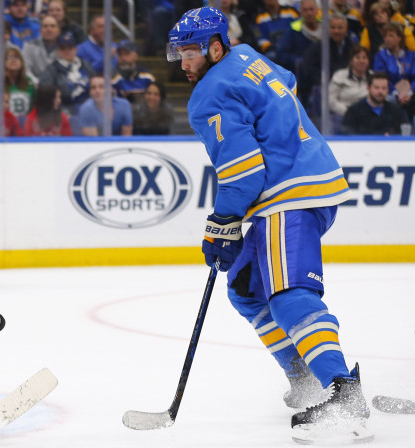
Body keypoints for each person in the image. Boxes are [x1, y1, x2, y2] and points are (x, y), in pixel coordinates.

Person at [167, 7, 371, 444]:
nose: (183, 63)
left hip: (287, 195)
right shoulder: (248, 58)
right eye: (178, 54)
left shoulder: (208, 95)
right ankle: (305, 377)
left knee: (289, 295)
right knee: (245, 286)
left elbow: (242, 173)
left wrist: (220, 224)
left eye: (190, 53)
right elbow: (286, 85)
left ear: (214, 47)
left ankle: (343, 393)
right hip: (307, 180)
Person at [39, 32, 94, 116]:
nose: (66, 51)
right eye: (63, 48)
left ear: (76, 49)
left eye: (70, 48)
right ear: (58, 50)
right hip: (64, 112)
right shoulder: (51, 70)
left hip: (89, 109)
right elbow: (47, 95)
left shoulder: (86, 65)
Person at [342, 71, 409, 135]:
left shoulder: (396, 111)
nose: (380, 91)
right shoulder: (354, 111)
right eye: (376, 88)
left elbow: (403, 134)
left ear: (388, 89)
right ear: (368, 88)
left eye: (384, 88)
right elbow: (347, 136)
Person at [372, 23, 415, 110]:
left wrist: (410, 93)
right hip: (390, 94)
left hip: (411, 94)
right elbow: (381, 78)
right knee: (390, 101)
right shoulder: (380, 57)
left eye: (391, 36)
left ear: (399, 38)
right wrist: (397, 94)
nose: (387, 39)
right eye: (385, 36)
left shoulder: (411, 56)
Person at [0, 47, 35, 120]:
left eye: (17, 57)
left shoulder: (28, 81)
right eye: (9, 57)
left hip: (25, 122)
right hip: (3, 121)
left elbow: (33, 105)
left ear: (22, 63)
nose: (13, 60)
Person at [329, 45, 372, 120]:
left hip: (368, 117)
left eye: (364, 58)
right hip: (343, 115)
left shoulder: (374, 77)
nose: (361, 61)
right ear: (351, 61)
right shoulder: (340, 75)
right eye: (357, 57)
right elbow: (331, 100)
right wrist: (348, 112)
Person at [22, 14, 60, 80]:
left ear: (58, 31)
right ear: (40, 31)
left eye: (52, 26)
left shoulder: (65, 47)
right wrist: (37, 83)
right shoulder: (29, 46)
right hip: (35, 85)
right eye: (45, 26)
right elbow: (26, 70)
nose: (49, 29)